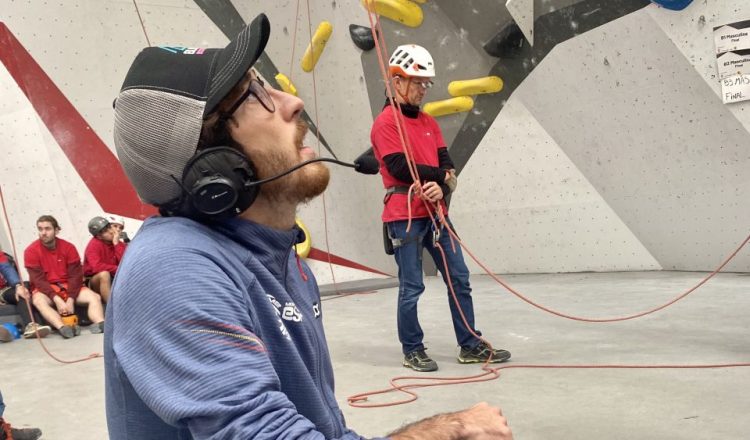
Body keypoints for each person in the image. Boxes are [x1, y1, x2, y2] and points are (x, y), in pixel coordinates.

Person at [105, 14, 513, 440]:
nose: (291, 102)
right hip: (406, 218)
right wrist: (447, 430)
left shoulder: (278, 255)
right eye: (254, 95)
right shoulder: (173, 269)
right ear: (217, 167)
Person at [370, 44, 512, 372]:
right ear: (396, 81)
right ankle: (412, 349)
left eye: (425, 83)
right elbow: (400, 167)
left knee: (459, 277)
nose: (422, 89)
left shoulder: (429, 123)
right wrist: (440, 177)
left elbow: (449, 166)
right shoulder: (386, 123)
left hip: (435, 215)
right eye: (416, 82)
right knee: (412, 285)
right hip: (404, 215)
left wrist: (443, 184)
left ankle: (470, 344)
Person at [24, 215, 105, 338]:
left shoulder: (69, 247)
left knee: (95, 297)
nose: (43, 233)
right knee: (38, 301)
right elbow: (38, 281)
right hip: (46, 289)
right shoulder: (31, 251)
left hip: (68, 286)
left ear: (56, 230)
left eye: (47, 229)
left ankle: (100, 323)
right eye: (40, 229)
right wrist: (56, 299)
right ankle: (62, 327)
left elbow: (75, 276)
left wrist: (71, 298)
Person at [0, 249, 50, 339]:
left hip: (4, 289)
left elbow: (6, 268)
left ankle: (32, 326)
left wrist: (18, 285)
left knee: (22, 290)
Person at [83, 216, 126, 302]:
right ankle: (110, 309)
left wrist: (116, 244)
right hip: (94, 281)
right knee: (104, 274)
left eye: (109, 227)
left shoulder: (117, 242)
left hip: (115, 277)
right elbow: (97, 267)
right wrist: (117, 269)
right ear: (99, 236)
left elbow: (126, 263)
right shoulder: (94, 245)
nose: (111, 231)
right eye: (106, 231)